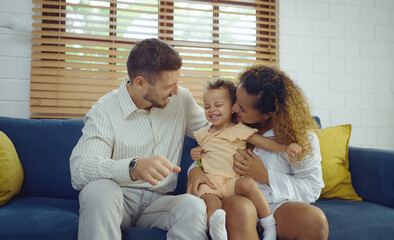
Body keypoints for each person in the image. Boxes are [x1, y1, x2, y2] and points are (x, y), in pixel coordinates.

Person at [69, 38, 210, 240]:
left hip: (159, 203)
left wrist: (196, 168)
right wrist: (133, 168)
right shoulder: (105, 110)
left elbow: (214, 134)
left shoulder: (181, 99)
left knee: (194, 206)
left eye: (177, 82)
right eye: (169, 85)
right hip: (118, 199)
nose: (176, 90)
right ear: (140, 82)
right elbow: (80, 170)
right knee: (98, 190)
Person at [187, 65, 329, 240]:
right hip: (235, 196)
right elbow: (211, 155)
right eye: (236, 101)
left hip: (274, 204)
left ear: (267, 114)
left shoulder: (300, 140)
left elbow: (312, 188)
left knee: (314, 221)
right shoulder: (230, 125)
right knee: (243, 209)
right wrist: (194, 170)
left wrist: (265, 175)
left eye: (243, 109)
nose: (234, 109)